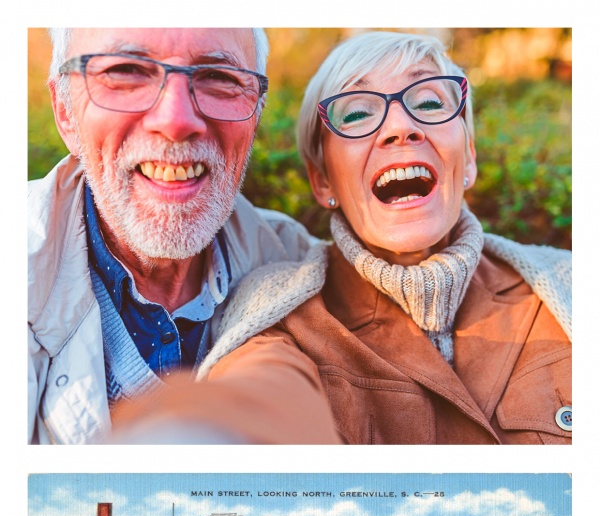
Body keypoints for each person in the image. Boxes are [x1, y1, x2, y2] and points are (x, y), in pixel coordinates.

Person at [193, 30, 571, 445]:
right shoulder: (278, 316)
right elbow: (257, 402)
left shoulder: (569, 286)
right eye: (356, 114)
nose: (401, 127)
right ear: (322, 181)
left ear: (470, 158)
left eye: (429, 103)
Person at [28, 27, 339, 444]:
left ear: (256, 113)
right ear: (65, 111)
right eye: (126, 72)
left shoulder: (299, 266)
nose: (175, 121)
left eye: (219, 78)